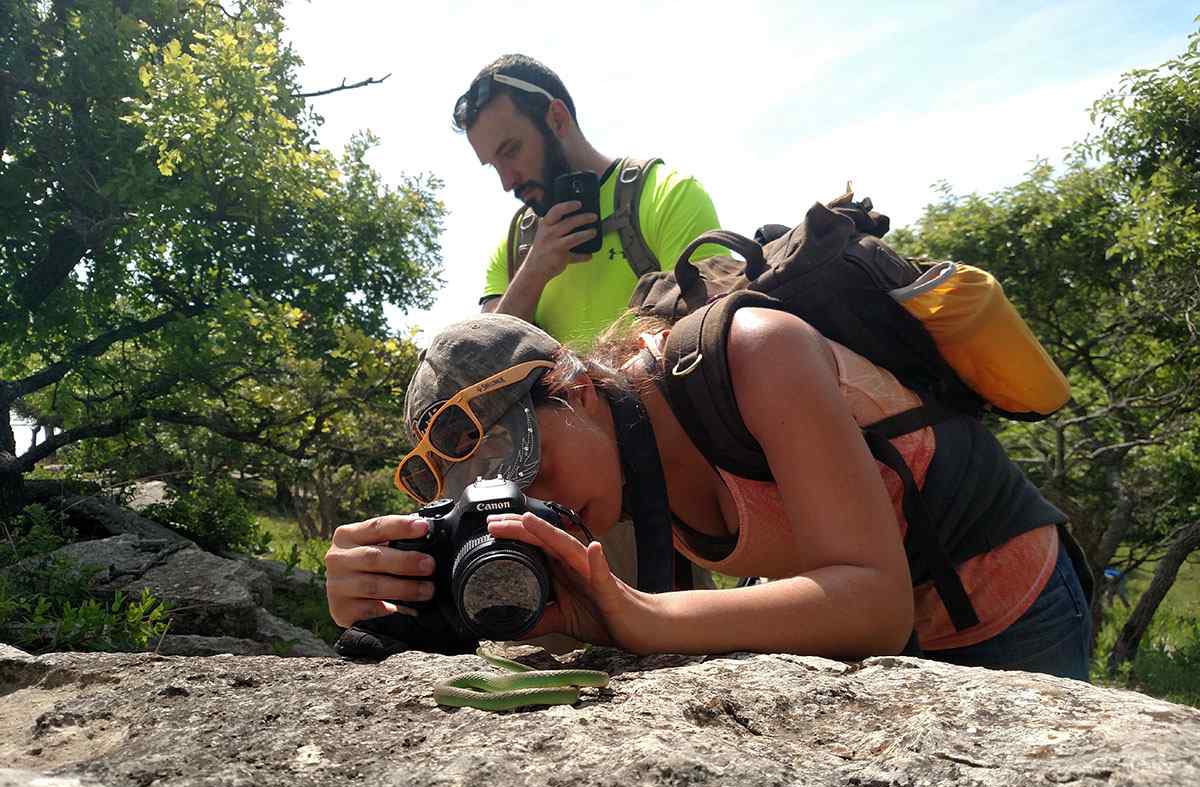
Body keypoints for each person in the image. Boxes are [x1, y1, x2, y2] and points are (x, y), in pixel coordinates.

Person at [325, 310, 1093, 680]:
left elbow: (875, 608)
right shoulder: (619, 466)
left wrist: (639, 616)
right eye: (494, 493)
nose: (528, 502)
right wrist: (406, 604)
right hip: (871, 622)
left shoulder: (758, 353)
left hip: (1003, 599)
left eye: (531, 464)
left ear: (576, 388)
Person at [453, 54, 727, 347]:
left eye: (511, 151)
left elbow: (710, 342)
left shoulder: (671, 195)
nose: (507, 182)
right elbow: (484, 367)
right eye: (493, 165)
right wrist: (533, 273)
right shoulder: (514, 249)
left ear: (557, 119)